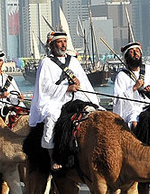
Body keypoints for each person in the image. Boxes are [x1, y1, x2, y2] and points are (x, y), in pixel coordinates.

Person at [29, 30, 99, 171]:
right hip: (54, 100)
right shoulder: (46, 63)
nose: (63, 45)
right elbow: (45, 86)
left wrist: (78, 84)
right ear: (52, 45)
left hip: (75, 98)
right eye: (60, 42)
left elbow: (83, 82)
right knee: (52, 117)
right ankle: (53, 158)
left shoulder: (73, 61)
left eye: (65, 41)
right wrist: (66, 88)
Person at [112, 40, 150, 129]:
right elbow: (117, 99)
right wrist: (134, 88)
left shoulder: (149, 69)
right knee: (135, 122)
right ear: (127, 56)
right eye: (132, 52)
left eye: (137, 51)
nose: (135, 54)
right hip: (132, 109)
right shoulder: (122, 75)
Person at [0, 48, 23, 114]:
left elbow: (13, 99)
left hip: (7, 112)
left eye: (0, 60)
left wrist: (18, 98)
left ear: (3, 62)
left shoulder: (8, 79)